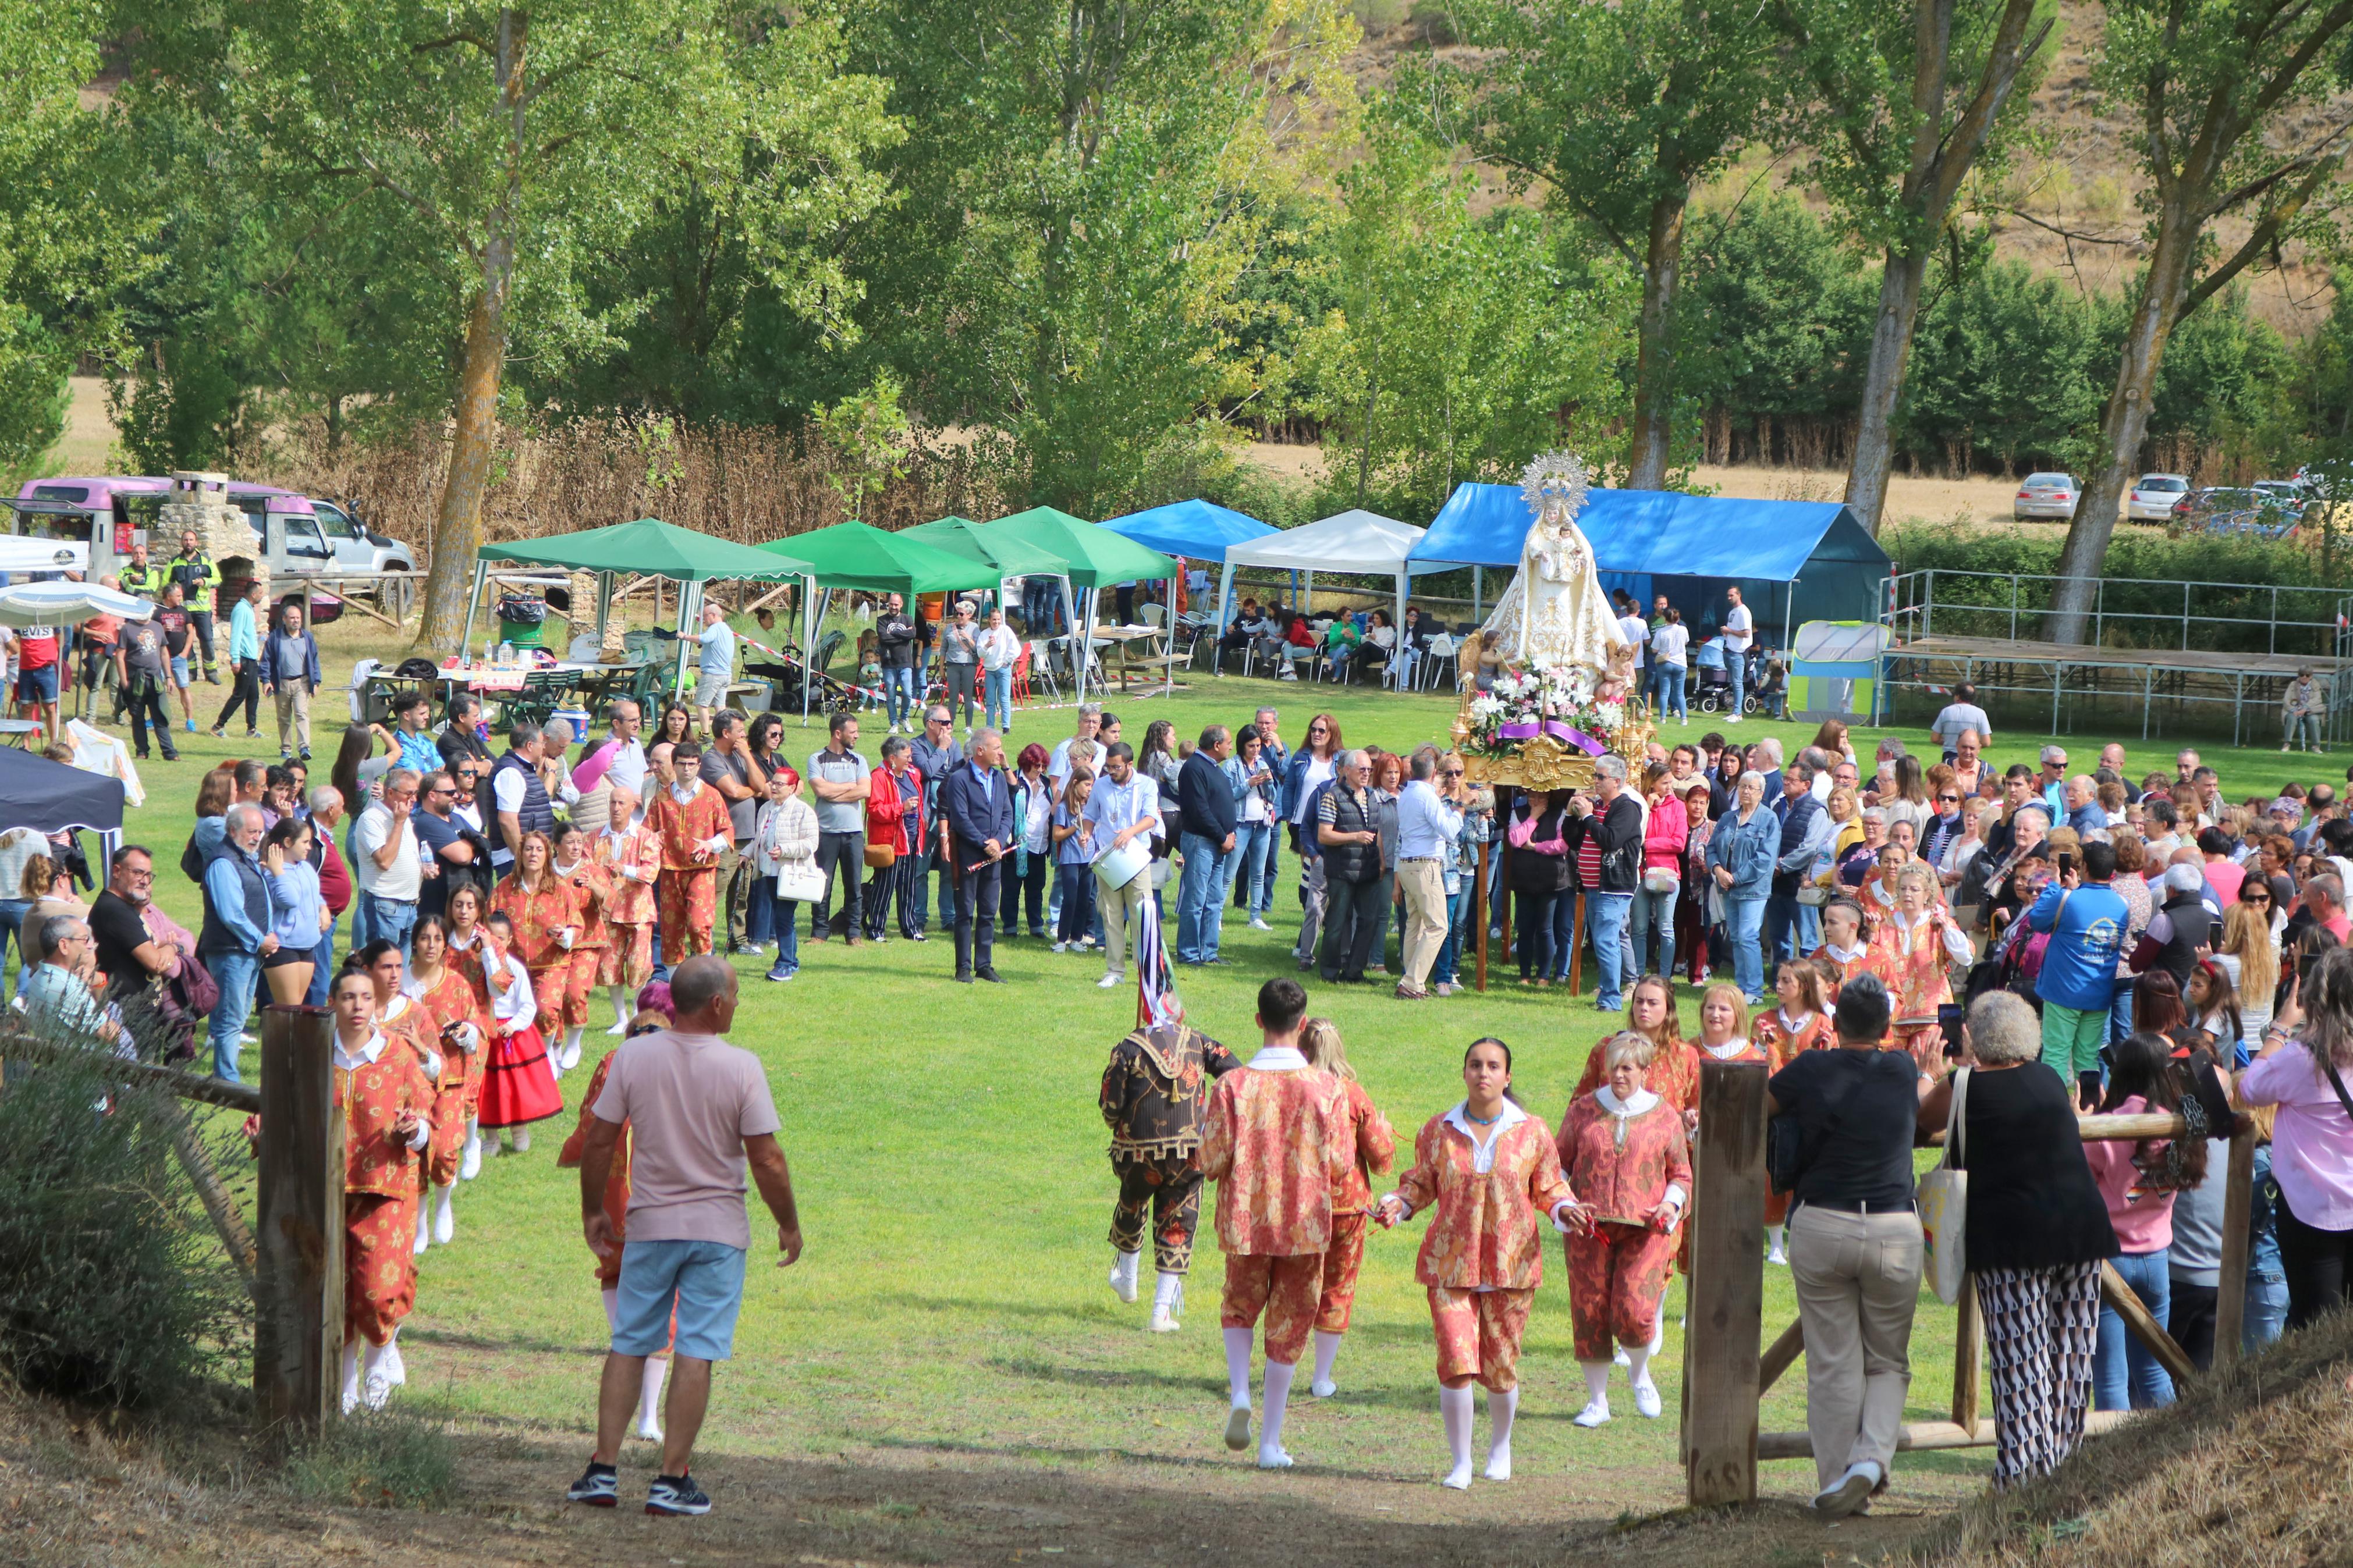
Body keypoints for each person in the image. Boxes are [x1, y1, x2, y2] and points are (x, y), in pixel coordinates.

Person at [566, 958, 802, 1518]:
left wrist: (593, 1209)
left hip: (649, 1226)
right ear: (716, 1003)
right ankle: (672, 1478)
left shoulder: (633, 1056)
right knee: (696, 1350)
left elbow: (600, 1142)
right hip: (717, 1232)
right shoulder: (741, 1066)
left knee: (630, 1341)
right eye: (738, 994)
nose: (740, 1003)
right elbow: (766, 1157)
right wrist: (788, 1222)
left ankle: (602, 1468)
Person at [1917, 992, 2118, 1487]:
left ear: (1974, 1037)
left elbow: (1923, 1116)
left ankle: (2024, 1478)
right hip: (2079, 1229)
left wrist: (1928, 1069)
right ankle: (2064, 1472)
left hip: (2012, 1239)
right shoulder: (2049, 1078)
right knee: (2069, 1362)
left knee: (2020, 1360)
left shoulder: (1962, 1084)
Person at [1376, 1036, 1575, 1489]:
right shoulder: (1438, 1130)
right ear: (1464, 1072)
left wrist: (1566, 1211)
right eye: (1474, 1065)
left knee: (1499, 1368)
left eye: (1492, 1066)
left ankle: (1500, 1445)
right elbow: (1418, 1184)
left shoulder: (1532, 1131)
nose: (1482, 1073)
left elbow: (1550, 1189)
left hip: (1511, 1267)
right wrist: (1395, 1204)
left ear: (1507, 1077)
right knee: (1455, 1359)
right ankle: (1460, 1461)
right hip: (1449, 1265)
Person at [1764, 973, 1922, 1518]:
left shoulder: (1810, 1067)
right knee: (1886, 1362)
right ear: (1884, 1027)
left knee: (1832, 1363)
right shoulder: (1902, 1068)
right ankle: (1869, 1463)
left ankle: (1836, 1479)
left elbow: (1756, 1106)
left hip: (1822, 1222)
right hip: (1892, 1228)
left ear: (1835, 1023)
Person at [1197, 977, 1348, 1471]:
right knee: (1290, 1323)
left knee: (1238, 1305)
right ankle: (1270, 1441)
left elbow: (1211, 1158)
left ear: (1259, 1020)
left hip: (1245, 1219)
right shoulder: (1327, 1087)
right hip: (1304, 1222)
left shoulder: (1232, 1085)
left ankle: (1240, 1388)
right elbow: (1342, 1163)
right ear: (1301, 1024)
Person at [1555, 1031, 1690, 1428]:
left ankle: (1639, 1372)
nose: (1618, 1075)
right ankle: (1597, 1402)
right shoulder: (1582, 1109)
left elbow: (1681, 1172)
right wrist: (1563, 1204)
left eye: (1627, 1068)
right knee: (1590, 1310)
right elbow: (1556, 1166)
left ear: (1644, 1072)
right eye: (1613, 1066)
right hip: (1588, 1228)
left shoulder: (1664, 1114)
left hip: (1645, 1229)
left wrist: (1670, 1203)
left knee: (1634, 1310)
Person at [323, 969, 434, 1415]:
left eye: (365, 997)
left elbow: (427, 1117)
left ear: (375, 1003)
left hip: (387, 1190)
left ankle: (378, 1363)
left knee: (377, 1289)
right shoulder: (315, 1053)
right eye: (348, 997)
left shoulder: (398, 1055)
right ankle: (346, 1391)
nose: (357, 1006)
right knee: (336, 1293)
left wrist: (416, 1130)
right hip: (327, 1190)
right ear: (333, 1001)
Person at [1099, 1001, 1241, 1331]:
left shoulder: (1128, 1047)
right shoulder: (1199, 1041)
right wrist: (1210, 1111)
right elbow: (1236, 1076)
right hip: (1188, 1153)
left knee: (1133, 1202)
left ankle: (1128, 1278)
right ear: (1180, 1016)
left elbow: (1110, 1107)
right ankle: (1161, 1312)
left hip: (1136, 1154)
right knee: (1179, 1220)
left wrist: (1119, 1124)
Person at [2241, 944, 2353, 1328]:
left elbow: (2251, 1088)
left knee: (2313, 1322)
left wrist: (2281, 1027)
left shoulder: (2300, 1059)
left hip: (2311, 1208)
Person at [2085, 1032, 2199, 1410]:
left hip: (2109, 1258)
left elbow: (2080, 1178)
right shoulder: (2179, 1125)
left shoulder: (2105, 1126)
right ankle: (2167, 1453)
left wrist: (2085, 1118)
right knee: (2155, 1369)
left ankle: (2112, 1459)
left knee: (2110, 1375)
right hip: (2156, 1259)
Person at [492, 830, 585, 1075]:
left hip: (551, 964)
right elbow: (489, 922)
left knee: (545, 1010)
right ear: (520, 854)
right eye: (528, 849)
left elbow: (577, 926)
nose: (533, 854)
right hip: (512, 966)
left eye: (539, 849)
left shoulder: (559, 888)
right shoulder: (504, 888)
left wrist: (564, 935)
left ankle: (544, 1060)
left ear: (548, 854)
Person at [197, 803, 276, 1083]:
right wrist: (260, 940)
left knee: (237, 1017)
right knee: (230, 1020)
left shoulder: (245, 858)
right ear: (232, 831)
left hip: (247, 951)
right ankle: (226, 1079)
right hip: (232, 952)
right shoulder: (224, 862)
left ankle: (225, 1075)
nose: (257, 837)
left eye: (261, 832)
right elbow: (231, 914)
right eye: (252, 832)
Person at [475, 908, 560, 1154]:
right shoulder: (476, 965)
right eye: (490, 936)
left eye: (500, 938)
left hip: (510, 1036)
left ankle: (518, 1128)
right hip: (485, 1032)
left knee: (514, 1088)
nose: (494, 942)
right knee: (486, 1088)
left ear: (510, 940)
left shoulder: (515, 968)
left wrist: (513, 1026)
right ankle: (491, 1137)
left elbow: (528, 1005)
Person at [1085, 741, 1163, 991]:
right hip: (1108, 858)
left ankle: (1147, 971)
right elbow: (1090, 815)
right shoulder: (1100, 785)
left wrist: (1130, 832)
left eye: (1116, 767)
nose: (1111, 771)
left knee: (1143, 914)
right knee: (1111, 915)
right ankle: (1115, 970)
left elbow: (1151, 818)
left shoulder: (1147, 785)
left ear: (1129, 764)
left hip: (1136, 857)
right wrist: (1086, 834)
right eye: (1108, 767)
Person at [644, 741, 731, 962]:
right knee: (671, 930)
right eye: (682, 764)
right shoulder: (661, 799)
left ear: (699, 765)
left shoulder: (712, 796)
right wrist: (652, 840)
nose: (687, 769)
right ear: (674, 765)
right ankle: (674, 987)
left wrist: (710, 845)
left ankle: (705, 973)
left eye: (692, 764)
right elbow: (646, 832)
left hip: (701, 870)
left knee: (699, 924)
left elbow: (727, 831)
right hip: (670, 870)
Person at [943, 727, 1015, 984]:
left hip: (993, 856)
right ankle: (963, 967)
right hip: (969, 855)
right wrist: (985, 843)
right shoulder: (959, 779)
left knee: (988, 911)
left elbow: (1007, 813)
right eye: (996, 747)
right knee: (965, 912)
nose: (1001, 753)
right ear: (980, 750)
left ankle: (984, 964)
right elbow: (960, 819)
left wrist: (998, 840)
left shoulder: (997, 779)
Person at [1393, 748, 1465, 1000]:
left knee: (1415, 924)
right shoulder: (1428, 796)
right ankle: (1412, 982)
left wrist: (1453, 806)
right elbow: (1448, 830)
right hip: (1425, 866)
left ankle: (1413, 980)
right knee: (1438, 926)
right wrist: (1461, 810)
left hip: (1407, 864)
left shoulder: (1407, 794)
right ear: (1435, 772)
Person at [697, 712, 768, 956]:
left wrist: (747, 754)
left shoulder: (741, 756)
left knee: (741, 893)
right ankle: (702, 944)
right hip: (724, 839)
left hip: (747, 837)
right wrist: (753, 792)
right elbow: (735, 791)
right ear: (725, 733)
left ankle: (738, 941)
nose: (744, 735)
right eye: (740, 731)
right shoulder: (710, 759)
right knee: (715, 893)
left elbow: (763, 787)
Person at [1709, 772, 1777, 1002]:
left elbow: (1764, 859)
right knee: (1737, 938)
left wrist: (1735, 878)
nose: (1746, 791)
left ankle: (1755, 991)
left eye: (1752, 788)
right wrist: (1718, 870)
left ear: (1761, 793)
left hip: (1753, 889)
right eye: (1742, 786)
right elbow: (1711, 849)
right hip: (1727, 887)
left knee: (1748, 936)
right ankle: (1742, 986)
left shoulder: (1768, 819)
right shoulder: (1728, 818)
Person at [1176, 724, 1240, 968]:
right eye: (1229, 743)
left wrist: (1229, 833)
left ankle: (1209, 952)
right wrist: (1222, 837)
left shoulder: (1213, 768)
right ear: (1216, 745)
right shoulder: (1194, 769)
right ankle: (1190, 953)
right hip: (1201, 842)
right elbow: (1199, 811)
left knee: (1214, 900)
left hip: (1217, 842)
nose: (1231, 747)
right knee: (1196, 900)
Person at [805, 712, 869, 944]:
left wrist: (835, 792)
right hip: (825, 832)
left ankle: (853, 933)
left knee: (854, 885)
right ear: (838, 733)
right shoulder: (817, 759)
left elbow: (865, 791)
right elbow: (820, 791)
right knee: (823, 884)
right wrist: (849, 787)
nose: (857, 736)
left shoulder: (858, 760)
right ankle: (819, 933)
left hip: (853, 833)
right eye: (853, 732)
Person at [352, 768, 427, 959]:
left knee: (399, 973)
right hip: (385, 906)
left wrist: (423, 868)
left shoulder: (404, 818)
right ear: (391, 793)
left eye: (416, 794)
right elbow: (384, 861)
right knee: (383, 967)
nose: (414, 800)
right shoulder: (371, 819)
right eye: (409, 794)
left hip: (410, 905)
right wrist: (399, 824)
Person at [260, 817, 326, 1007]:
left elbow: (313, 892)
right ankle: (278, 1036)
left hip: (307, 945)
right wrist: (278, 872)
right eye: (305, 842)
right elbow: (289, 900)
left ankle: (291, 1037)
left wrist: (323, 908)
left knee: (297, 1006)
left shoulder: (305, 867)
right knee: (288, 1008)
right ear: (288, 842)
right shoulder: (272, 872)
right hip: (284, 947)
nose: (309, 847)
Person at [261, 599, 322, 761]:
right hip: (281, 683)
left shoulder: (307, 637)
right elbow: (266, 660)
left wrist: (316, 682)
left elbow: (315, 660)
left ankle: (304, 748)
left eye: (298, 618)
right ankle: (286, 749)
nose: (295, 621)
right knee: (283, 717)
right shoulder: (275, 637)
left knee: (302, 714)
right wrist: (266, 681)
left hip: (302, 682)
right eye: (292, 618)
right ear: (284, 620)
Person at [118, 607, 179, 762]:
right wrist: (125, 681)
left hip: (156, 679)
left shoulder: (157, 627)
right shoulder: (127, 628)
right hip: (135, 679)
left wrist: (169, 677)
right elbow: (120, 656)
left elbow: (164, 653)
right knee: (137, 717)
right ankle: (142, 751)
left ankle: (170, 753)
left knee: (160, 716)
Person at [209, 579, 266, 739]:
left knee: (254, 695)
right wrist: (236, 659)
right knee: (240, 694)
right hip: (244, 660)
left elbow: (247, 634)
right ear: (254, 595)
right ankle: (218, 725)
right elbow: (236, 636)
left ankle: (252, 729)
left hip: (251, 659)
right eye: (261, 593)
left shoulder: (248, 609)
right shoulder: (241, 610)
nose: (262, 596)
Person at [1052, 765, 1099, 952]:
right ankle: (1062, 939)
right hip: (1070, 858)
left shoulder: (1092, 807)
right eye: (1087, 785)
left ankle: (1077, 938)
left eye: (1092, 785)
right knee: (1070, 898)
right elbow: (1057, 835)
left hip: (1088, 858)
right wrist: (1074, 827)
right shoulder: (1064, 807)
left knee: (1084, 899)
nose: (1090, 789)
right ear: (1075, 783)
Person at [168, 528, 222, 684]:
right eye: (185, 540)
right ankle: (191, 673)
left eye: (191, 540)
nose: (188, 543)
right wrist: (175, 589)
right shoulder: (174, 562)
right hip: (183, 610)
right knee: (186, 642)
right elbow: (165, 583)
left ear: (196, 543)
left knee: (207, 641)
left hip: (203, 610)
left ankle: (211, 673)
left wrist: (205, 582)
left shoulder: (206, 560)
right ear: (182, 542)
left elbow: (218, 579)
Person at [875, 592, 921, 734]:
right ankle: (893, 723)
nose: (893, 607)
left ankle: (904, 718)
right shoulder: (881, 620)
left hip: (906, 662)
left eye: (896, 604)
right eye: (891, 604)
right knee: (891, 696)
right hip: (889, 663)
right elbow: (884, 638)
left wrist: (894, 634)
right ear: (888, 604)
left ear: (901, 605)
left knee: (907, 693)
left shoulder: (907, 618)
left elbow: (913, 635)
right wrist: (903, 637)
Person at [939, 598, 981, 732]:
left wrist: (969, 639)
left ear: (969, 615)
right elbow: (943, 648)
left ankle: (968, 726)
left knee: (968, 696)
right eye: (957, 613)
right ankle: (950, 725)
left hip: (968, 666)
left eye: (961, 614)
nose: (958, 616)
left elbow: (978, 649)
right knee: (952, 697)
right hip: (952, 665)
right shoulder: (949, 628)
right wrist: (941, 667)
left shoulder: (974, 628)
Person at [978, 606, 1020, 734]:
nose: (996, 622)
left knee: (1004, 698)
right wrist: (987, 646)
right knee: (990, 700)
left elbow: (1016, 649)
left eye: (998, 620)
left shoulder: (1006, 630)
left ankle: (1006, 727)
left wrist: (1007, 661)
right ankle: (990, 727)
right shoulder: (984, 634)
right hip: (990, 670)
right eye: (994, 620)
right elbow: (980, 653)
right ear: (989, 620)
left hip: (1003, 670)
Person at [1930, 682, 1993, 759]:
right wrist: (1973, 747)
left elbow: (1934, 738)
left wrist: (1949, 743)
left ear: (1958, 696)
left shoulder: (1946, 712)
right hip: (1970, 758)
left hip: (1949, 757)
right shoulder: (1980, 713)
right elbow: (1986, 742)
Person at [1719, 585, 1754, 720]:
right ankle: (1735, 711)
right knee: (1734, 683)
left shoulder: (1743, 612)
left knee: (1738, 683)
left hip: (1738, 653)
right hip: (1729, 650)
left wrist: (1729, 631)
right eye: (1728, 595)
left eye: (1732, 595)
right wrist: (1727, 633)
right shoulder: (1733, 612)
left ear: (1739, 595)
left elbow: (1746, 633)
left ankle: (1738, 713)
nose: (1729, 598)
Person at [2284, 667, 2327, 753]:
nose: (2304, 677)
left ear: (2311, 676)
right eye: (2302, 675)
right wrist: (2294, 710)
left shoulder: (2315, 685)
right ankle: (2287, 744)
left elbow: (2318, 699)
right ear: (2299, 676)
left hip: (2310, 711)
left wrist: (2306, 708)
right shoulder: (2293, 685)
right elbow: (2286, 700)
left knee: (2314, 720)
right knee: (2291, 719)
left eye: (2307, 675)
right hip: (2295, 710)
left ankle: (2316, 746)